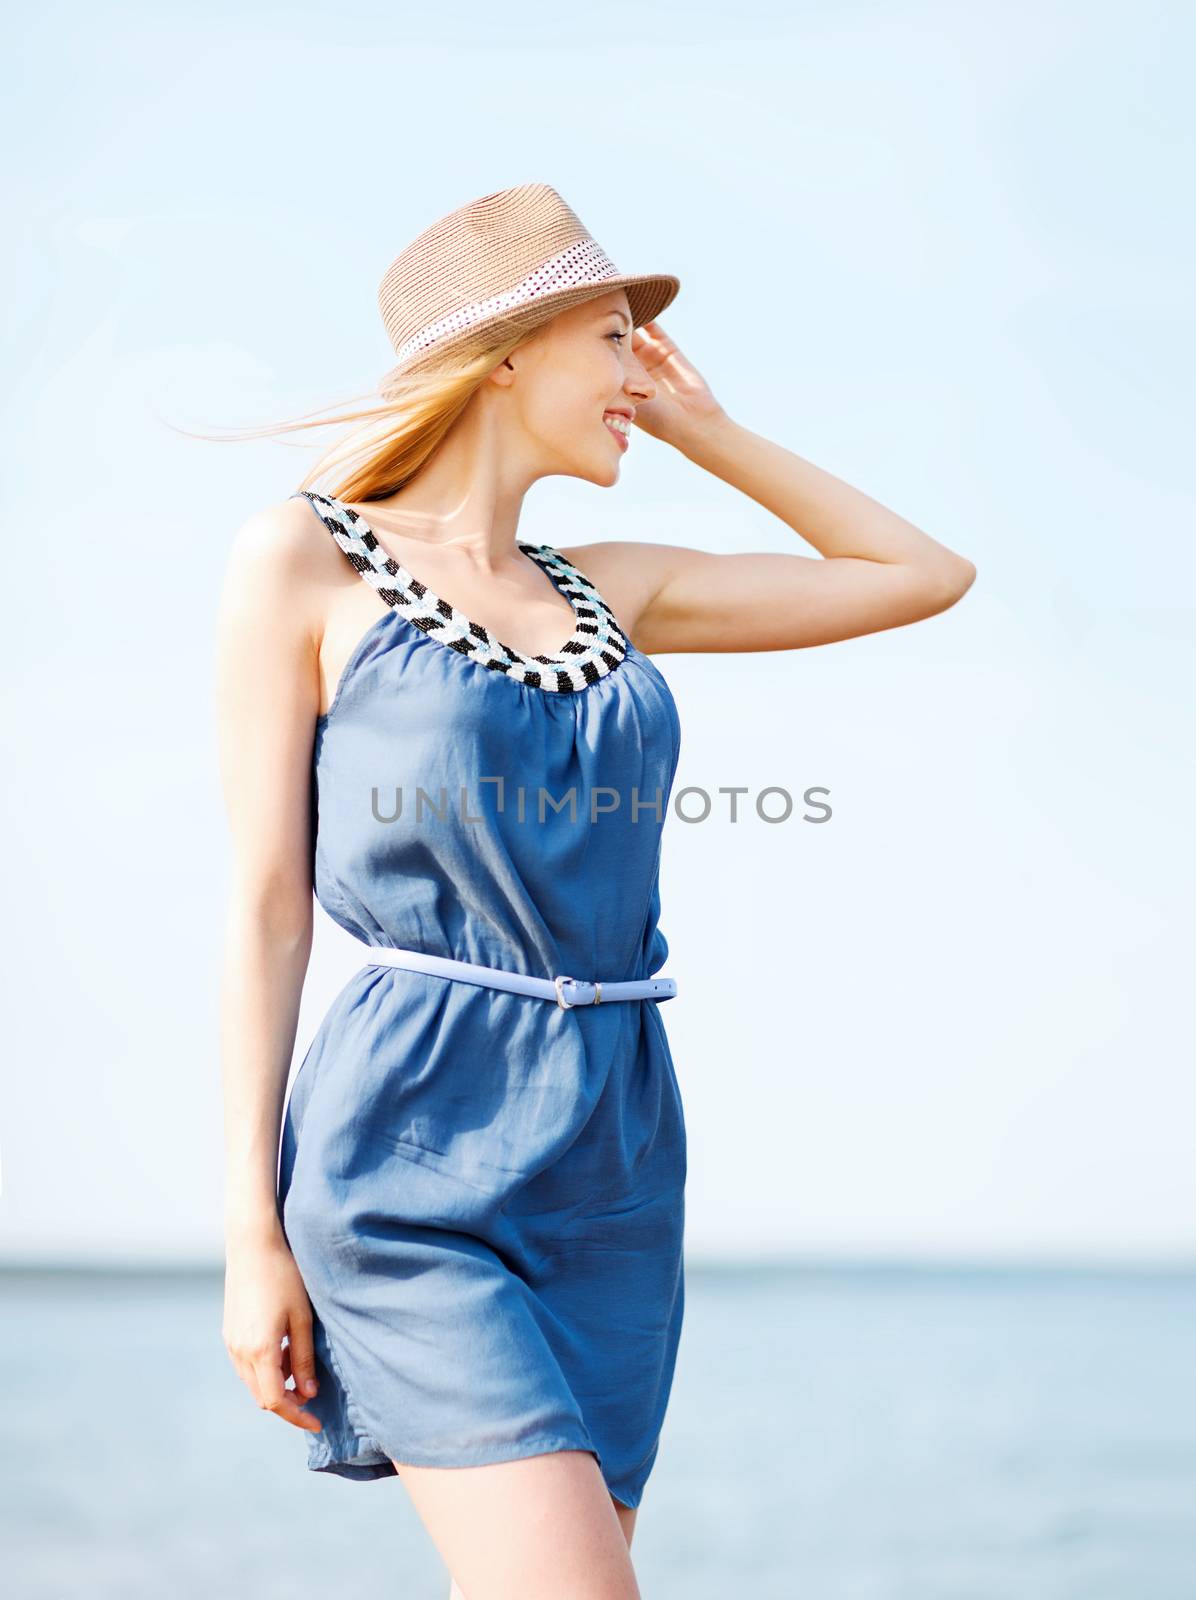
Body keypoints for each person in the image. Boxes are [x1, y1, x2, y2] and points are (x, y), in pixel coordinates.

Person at [215, 183, 976, 1600]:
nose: (641, 374)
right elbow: (266, 907)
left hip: (618, 1151)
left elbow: (922, 574)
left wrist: (707, 429)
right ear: (504, 352)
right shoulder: (306, 563)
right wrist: (252, 1233)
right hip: (410, 1144)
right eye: (617, 339)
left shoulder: (614, 591)